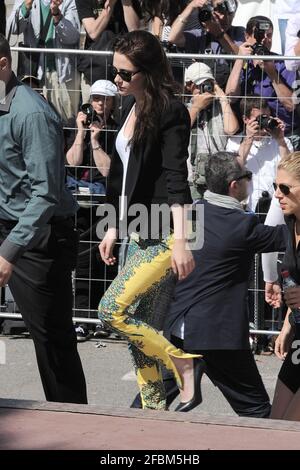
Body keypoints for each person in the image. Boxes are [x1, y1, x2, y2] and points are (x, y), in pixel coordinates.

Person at [97, 30, 204, 411]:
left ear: (149, 71)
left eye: (126, 74)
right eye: (115, 73)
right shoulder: (133, 105)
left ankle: (183, 362)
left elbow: (177, 177)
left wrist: (181, 240)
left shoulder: (170, 111)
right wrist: (112, 225)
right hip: (137, 229)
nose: (118, 81)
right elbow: (126, 176)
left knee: (111, 310)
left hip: (163, 232)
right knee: (140, 331)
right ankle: (153, 411)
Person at [163, 151, 287, 417]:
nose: (250, 182)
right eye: (248, 177)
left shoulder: (189, 216)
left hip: (179, 328)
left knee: (152, 398)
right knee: (257, 411)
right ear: (235, 185)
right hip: (217, 334)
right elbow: (284, 236)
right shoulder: (242, 225)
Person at [0, 34, 87, 404]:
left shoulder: (30, 113)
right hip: (11, 226)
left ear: (2, 64)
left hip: (38, 240)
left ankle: (72, 421)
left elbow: (46, 193)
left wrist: (8, 252)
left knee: (52, 341)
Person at [65, 79, 118, 342]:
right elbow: (71, 162)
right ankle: (81, 317)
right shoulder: (79, 127)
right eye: (95, 98)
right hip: (81, 203)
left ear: (112, 102)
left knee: (106, 261)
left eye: (104, 99)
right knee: (84, 262)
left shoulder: (117, 131)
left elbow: (108, 171)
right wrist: (82, 133)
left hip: (105, 202)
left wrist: (97, 142)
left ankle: (102, 318)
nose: (99, 103)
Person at [262, 152, 300, 421]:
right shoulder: (290, 223)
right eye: (276, 186)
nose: (277, 194)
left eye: (285, 188)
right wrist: (288, 324)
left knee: (291, 427)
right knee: (276, 424)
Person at [226, 15, 300, 149]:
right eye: (259, 34)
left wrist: (271, 72)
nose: (265, 39)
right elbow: (231, 96)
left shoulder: (283, 63)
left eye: (269, 35)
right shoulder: (243, 63)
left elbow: (291, 105)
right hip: (254, 135)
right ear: (247, 36)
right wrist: (239, 59)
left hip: (284, 135)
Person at [8, 0, 81, 125]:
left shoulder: (68, 2)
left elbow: (73, 36)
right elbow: (12, 28)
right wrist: (25, 7)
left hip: (60, 74)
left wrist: (56, 14)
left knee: (64, 122)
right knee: (33, 120)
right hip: (33, 74)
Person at [226, 96, 292, 212]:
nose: (265, 121)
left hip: (276, 206)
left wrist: (280, 140)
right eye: (260, 118)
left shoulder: (283, 142)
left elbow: (292, 171)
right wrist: (249, 138)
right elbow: (233, 168)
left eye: (267, 117)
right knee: (193, 224)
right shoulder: (234, 142)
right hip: (246, 208)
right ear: (246, 119)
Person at [184, 61, 239, 199]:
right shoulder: (184, 109)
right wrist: (197, 107)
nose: (204, 90)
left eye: (207, 84)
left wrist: (222, 97)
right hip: (193, 180)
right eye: (199, 86)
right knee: (195, 219)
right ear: (188, 86)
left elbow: (231, 129)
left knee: (218, 218)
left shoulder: (221, 107)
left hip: (220, 178)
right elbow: (181, 130)